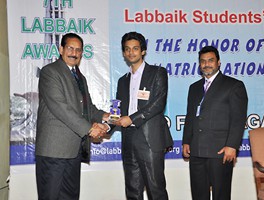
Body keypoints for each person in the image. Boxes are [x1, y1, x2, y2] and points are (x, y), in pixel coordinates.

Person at [35, 33, 109, 200]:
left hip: (73, 150)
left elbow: (87, 108)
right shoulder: (50, 72)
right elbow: (60, 107)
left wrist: (105, 117)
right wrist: (90, 128)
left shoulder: (79, 77)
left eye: (78, 50)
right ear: (61, 49)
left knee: (70, 197)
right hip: (54, 150)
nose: (74, 53)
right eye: (70, 48)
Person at [182, 45, 248, 200]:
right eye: (203, 61)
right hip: (196, 150)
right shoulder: (194, 88)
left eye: (211, 60)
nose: (207, 64)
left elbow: (238, 120)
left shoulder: (233, 85)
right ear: (199, 64)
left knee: (221, 195)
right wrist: (186, 141)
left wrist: (232, 145)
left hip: (220, 151)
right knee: (198, 195)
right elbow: (190, 116)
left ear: (219, 62)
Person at [115, 31, 173, 200]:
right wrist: (107, 124)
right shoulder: (122, 80)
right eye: (127, 49)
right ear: (124, 53)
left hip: (149, 138)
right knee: (132, 190)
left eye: (135, 48)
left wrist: (132, 118)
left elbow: (158, 104)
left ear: (143, 51)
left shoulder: (157, 73)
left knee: (156, 189)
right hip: (129, 137)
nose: (131, 52)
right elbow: (117, 111)